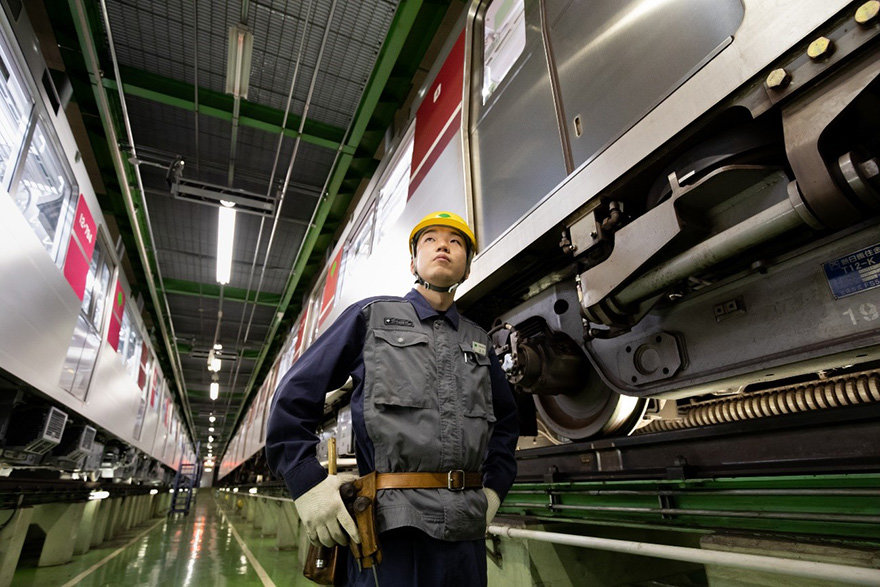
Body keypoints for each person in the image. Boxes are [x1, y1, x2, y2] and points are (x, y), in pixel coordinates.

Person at [266, 211, 519, 586]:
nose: (443, 245)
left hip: (465, 530)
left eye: (456, 241)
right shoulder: (371, 317)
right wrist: (306, 482)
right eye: (430, 239)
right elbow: (293, 395)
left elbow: (507, 423)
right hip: (390, 530)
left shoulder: (477, 340)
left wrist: (495, 489)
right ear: (413, 261)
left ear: (467, 266)